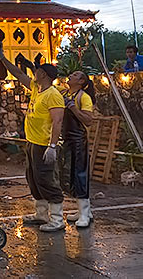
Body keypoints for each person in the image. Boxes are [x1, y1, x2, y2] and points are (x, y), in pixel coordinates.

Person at [0, 42, 66, 232]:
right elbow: (18, 75)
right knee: (33, 178)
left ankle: (58, 219)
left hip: (44, 144)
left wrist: (52, 146)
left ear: (44, 74)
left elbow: (58, 121)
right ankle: (41, 215)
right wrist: (2, 58)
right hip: (32, 142)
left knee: (47, 179)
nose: (35, 72)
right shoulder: (37, 88)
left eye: (38, 70)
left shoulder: (53, 95)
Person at [60, 71, 96, 228]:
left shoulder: (83, 97)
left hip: (78, 140)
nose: (70, 76)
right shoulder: (65, 93)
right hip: (67, 139)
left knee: (80, 174)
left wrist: (74, 108)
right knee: (69, 174)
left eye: (74, 75)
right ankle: (84, 210)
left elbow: (88, 121)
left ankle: (84, 214)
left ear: (81, 81)